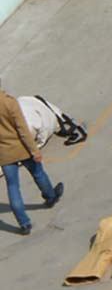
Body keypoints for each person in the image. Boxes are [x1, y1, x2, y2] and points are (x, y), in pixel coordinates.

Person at [0, 82, 63, 235]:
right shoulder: (9, 102)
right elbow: (22, 130)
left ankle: (24, 224)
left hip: (4, 153)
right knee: (38, 173)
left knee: (12, 187)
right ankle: (50, 197)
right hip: (22, 148)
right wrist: (34, 150)